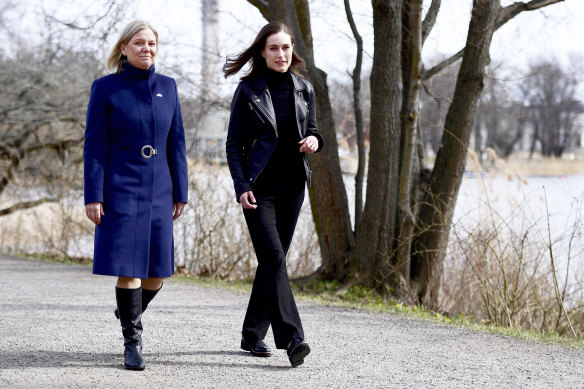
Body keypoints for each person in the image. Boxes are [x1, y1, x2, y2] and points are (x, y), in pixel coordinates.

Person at [83, 20, 188, 370]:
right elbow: (95, 146)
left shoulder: (169, 88)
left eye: (152, 44)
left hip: (160, 187)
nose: (147, 49)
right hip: (121, 186)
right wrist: (92, 195)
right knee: (129, 269)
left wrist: (181, 192)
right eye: (139, 43)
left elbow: (177, 143)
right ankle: (133, 342)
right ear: (124, 48)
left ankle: (127, 308)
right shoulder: (105, 88)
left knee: (157, 273)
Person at [224, 21, 323, 368]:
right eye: (273, 48)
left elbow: (312, 131)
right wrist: (241, 186)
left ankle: (252, 334)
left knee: (272, 262)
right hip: (259, 188)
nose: (281, 54)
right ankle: (293, 337)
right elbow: (234, 144)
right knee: (275, 259)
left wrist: (315, 141)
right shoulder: (248, 90)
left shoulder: (304, 89)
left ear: (292, 50)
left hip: (294, 186)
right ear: (262, 52)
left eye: (286, 48)